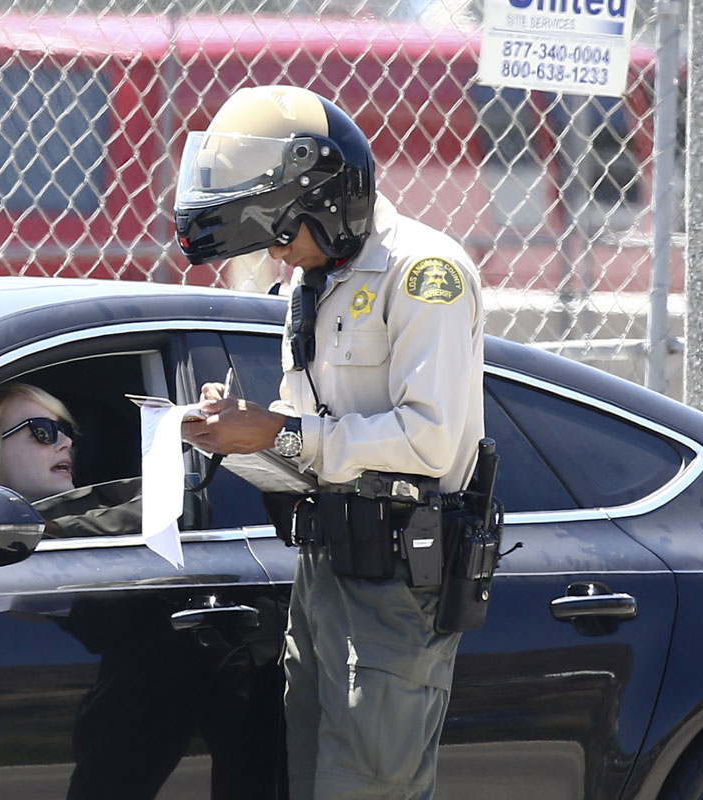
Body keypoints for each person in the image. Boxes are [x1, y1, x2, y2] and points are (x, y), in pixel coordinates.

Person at [176, 85, 485, 799]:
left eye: (284, 234)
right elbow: (310, 440)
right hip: (322, 571)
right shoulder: (314, 282)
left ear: (332, 202)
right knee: (311, 782)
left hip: (395, 580)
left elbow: (431, 442)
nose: (279, 254)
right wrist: (240, 434)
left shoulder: (423, 273)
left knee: (368, 788)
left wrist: (280, 430)